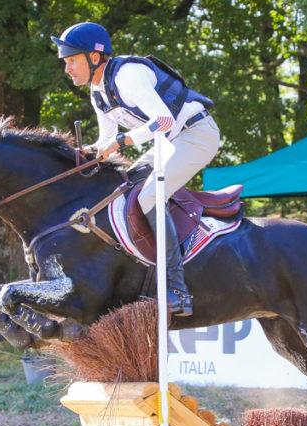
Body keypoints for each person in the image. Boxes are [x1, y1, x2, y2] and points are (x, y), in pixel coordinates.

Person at [51, 22, 221, 317]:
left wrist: (121, 141)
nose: (67, 69)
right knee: (124, 188)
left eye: (72, 60)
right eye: (65, 62)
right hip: (168, 143)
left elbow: (164, 121)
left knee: (150, 195)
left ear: (94, 57)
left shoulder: (127, 76)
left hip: (196, 134)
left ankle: (176, 288)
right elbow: (105, 140)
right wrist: (84, 152)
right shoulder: (98, 92)